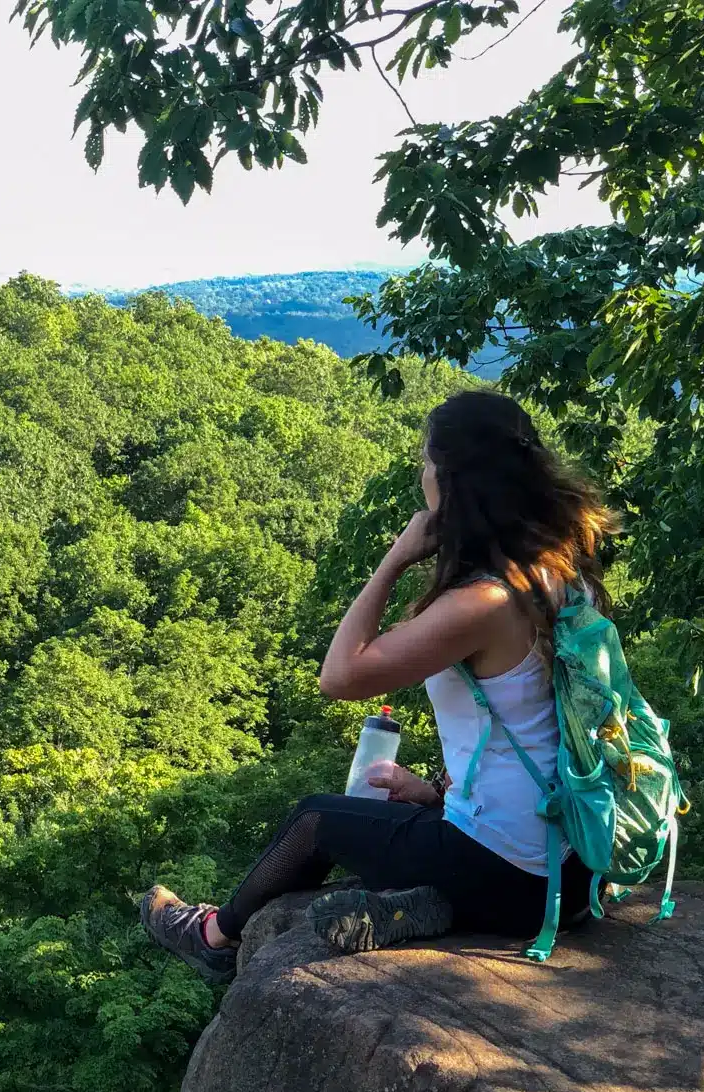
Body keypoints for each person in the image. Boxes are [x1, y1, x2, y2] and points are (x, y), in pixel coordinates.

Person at [140, 389, 615, 982]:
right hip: (576, 867)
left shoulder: (486, 601)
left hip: (516, 872)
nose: (422, 474)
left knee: (317, 818)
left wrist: (394, 561)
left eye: (426, 462)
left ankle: (214, 937)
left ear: (450, 478)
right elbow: (537, 727)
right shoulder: (564, 573)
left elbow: (339, 677)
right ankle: (432, 904)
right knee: (393, 823)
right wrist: (438, 793)